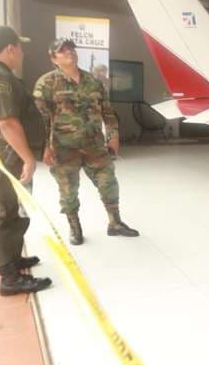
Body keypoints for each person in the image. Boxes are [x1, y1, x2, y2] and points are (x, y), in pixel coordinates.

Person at [0, 26, 51, 296]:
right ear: (10, 49)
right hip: (5, 157)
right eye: (19, 46)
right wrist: (28, 158)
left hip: (2, 156)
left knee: (12, 210)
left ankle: (12, 261)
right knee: (6, 211)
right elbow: (7, 122)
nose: (22, 52)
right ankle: (9, 277)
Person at [34, 38, 138, 245]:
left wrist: (113, 135)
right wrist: (45, 148)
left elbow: (107, 111)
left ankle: (115, 223)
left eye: (71, 49)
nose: (69, 53)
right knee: (68, 191)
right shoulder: (46, 83)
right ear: (53, 58)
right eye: (62, 51)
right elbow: (40, 120)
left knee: (109, 183)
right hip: (64, 148)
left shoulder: (93, 81)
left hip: (95, 146)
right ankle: (75, 227)